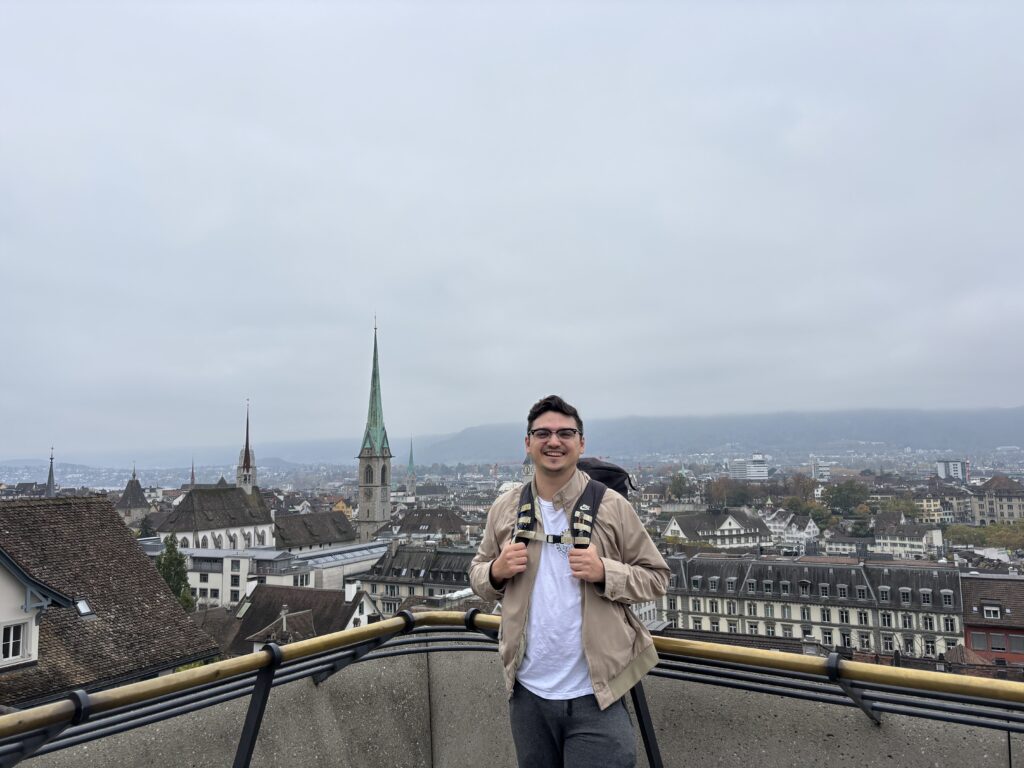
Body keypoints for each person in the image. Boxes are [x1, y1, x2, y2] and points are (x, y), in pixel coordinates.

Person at [470, 395, 669, 768]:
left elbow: (657, 577)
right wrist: (496, 570)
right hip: (526, 692)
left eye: (565, 433)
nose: (554, 441)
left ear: (581, 442)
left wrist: (606, 572)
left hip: (597, 694)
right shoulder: (505, 508)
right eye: (542, 433)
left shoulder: (611, 507)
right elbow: (478, 573)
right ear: (528, 443)